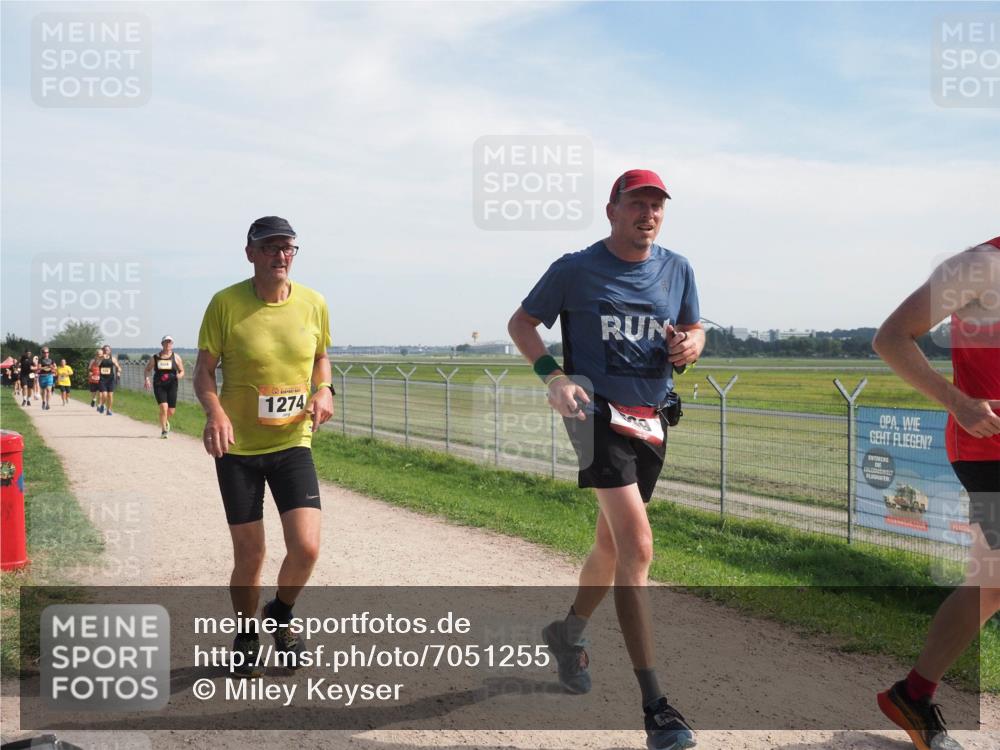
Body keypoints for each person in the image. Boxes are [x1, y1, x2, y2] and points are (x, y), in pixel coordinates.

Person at [507, 170, 704, 750]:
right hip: (593, 414)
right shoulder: (575, 268)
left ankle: (566, 635)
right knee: (638, 547)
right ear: (612, 210)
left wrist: (693, 344)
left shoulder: (678, 268)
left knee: (611, 545)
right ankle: (656, 707)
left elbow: (693, 328)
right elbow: (522, 323)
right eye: (637, 204)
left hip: (651, 418)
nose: (649, 214)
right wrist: (554, 376)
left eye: (657, 207)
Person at [873, 237, 1000, 750]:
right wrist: (959, 403)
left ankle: (912, 694)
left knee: (989, 585)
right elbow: (891, 338)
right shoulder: (977, 266)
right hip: (987, 448)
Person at [194, 216, 334, 678]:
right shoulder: (225, 304)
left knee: (307, 548)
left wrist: (325, 389)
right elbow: (203, 371)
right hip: (239, 452)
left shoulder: (313, 303)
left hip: (293, 441)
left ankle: (282, 613)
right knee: (250, 555)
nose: (281, 255)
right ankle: (246, 633)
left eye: (288, 248)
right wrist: (215, 412)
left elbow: (321, 359)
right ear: (250, 252)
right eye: (270, 247)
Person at [144, 335, 185, 438]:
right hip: (159, 384)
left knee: (171, 411)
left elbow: (182, 371)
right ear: (162, 344)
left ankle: (165, 420)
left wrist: (178, 376)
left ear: (172, 344)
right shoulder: (155, 357)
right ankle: (164, 431)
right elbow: (147, 369)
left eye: (170, 342)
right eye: (166, 342)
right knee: (163, 407)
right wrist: (147, 379)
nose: (168, 344)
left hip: (172, 384)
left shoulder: (176, 357)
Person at [96, 345, 122, 415]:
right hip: (102, 379)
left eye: (107, 350)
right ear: (103, 350)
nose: (106, 351)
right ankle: (102, 405)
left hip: (110, 379)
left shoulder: (113, 359)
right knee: (104, 395)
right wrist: (101, 358)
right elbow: (97, 365)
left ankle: (109, 410)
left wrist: (119, 372)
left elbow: (118, 367)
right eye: (104, 350)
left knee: (110, 395)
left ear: (110, 351)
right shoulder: (99, 358)